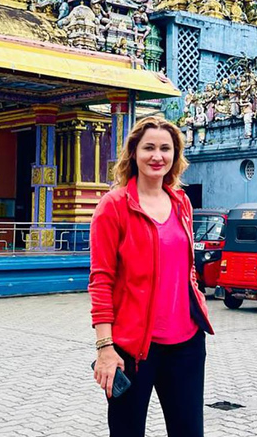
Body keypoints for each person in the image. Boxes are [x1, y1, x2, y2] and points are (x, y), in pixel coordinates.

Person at [89, 116, 214, 437]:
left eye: (165, 148)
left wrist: (195, 298)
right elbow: (101, 280)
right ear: (133, 152)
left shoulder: (181, 202)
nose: (157, 156)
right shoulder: (113, 206)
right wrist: (105, 347)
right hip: (131, 349)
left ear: (175, 155)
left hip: (186, 344)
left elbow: (187, 266)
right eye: (148, 148)